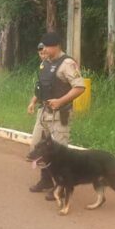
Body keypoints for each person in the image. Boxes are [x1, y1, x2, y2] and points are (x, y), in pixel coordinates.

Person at [27, 32, 85, 199]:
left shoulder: (67, 64)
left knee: (59, 154)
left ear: (56, 46)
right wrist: (33, 101)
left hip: (60, 114)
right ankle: (46, 180)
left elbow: (79, 87)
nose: (43, 49)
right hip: (44, 112)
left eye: (46, 46)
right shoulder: (45, 63)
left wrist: (60, 101)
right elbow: (41, 87)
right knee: (37, 148)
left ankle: (61, 187)